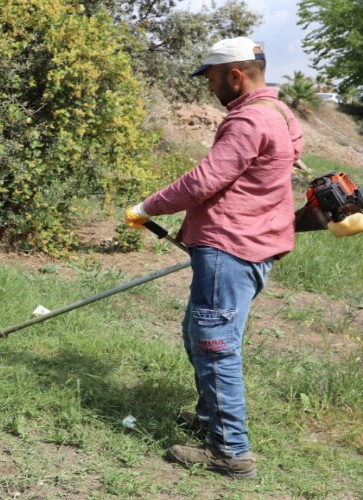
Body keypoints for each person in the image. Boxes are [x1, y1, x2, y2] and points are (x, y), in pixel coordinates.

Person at [124, 36, 303, 480]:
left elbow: (205, 179)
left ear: (235, 75)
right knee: (199, 332)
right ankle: (210, 421)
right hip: (253, 246)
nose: (208, 88)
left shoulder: (248, 120)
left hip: (230, 248)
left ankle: (230, 452)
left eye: (211, 78)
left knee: (214, 345)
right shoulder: (281, 112)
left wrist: (147, 207)